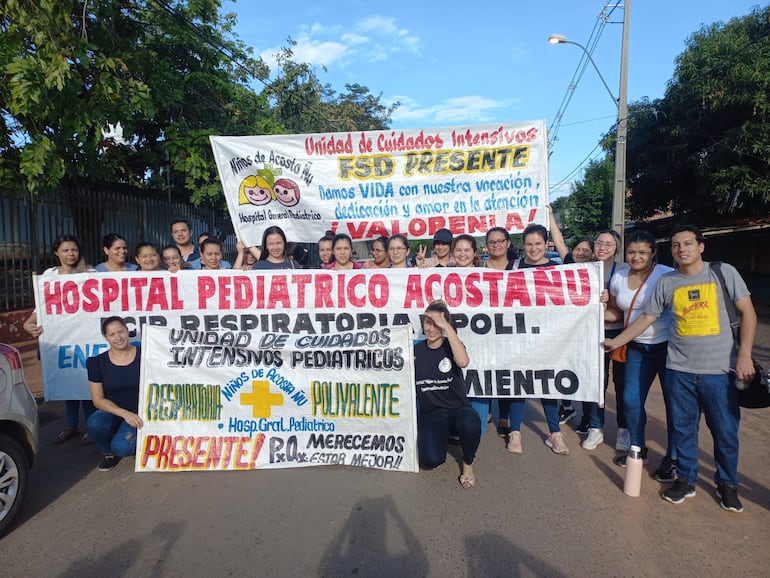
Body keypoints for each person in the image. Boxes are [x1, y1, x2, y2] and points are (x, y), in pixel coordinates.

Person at [604, 224, 757, 512]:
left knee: (724, 430)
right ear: (671, 251)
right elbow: (647, 318)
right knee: (684, 428)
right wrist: (616, 342)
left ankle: (728, 483)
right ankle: (686, 479)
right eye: (676, 245)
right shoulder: (668, 282)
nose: (682, 249)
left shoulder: (723, 273)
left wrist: (745, 355)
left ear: (701, 246)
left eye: (687, 243)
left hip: (719, 370)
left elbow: (747, 312)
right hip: (678, 369)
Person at [603, 232, 677, 467]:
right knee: (631, 401)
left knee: (673, 403)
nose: (636, 257)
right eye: (632, 252)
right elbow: (615, 312)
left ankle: (673, 457)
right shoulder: (619, 277)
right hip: (634, 347)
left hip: (666, 347)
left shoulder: (667, 275)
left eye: (643, 252)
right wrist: (586, 310)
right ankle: (637, 447)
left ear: (653, 253)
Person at [23, 235, 96, 445]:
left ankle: (92, 426)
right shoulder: (50, 275)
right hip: (61, 336)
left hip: (86, 335)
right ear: (57, 252)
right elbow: (44, 306)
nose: (70, 254)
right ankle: (71, 424)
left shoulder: (89, 273)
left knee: (87, 382)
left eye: (74, 250)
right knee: (68, 381)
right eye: (65, 250)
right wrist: (29, 322)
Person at [506, 224, 568, 455]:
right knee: (518, 382)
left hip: (547, 338)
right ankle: (515, 431)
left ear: (546, 244)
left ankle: (555, 433)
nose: (533, 249)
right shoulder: (513, 268)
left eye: (538, 244)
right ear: (523, 245)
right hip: (518, 336)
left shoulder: (558, 270)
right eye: (529, 244)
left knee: (547, 384)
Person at [414, 300, 481, 488]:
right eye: (428, 323)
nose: (431, 329)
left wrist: (446, 327)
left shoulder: (451, 346)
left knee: (470, 421)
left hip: (458, 409)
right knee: (430, 460)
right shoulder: (415, 351)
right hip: (432, 414)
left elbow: (463, 362)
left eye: (437, 324)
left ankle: (468, 463)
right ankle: (444, 436)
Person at [588, 230, 630, 450]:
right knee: (597, 382)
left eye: (609, 244)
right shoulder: (584, 268)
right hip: (593, 334)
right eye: (599, 243)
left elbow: (623, 312)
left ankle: (624, 429)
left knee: (622, 384)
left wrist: (606, 305)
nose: (603, 247)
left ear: (616, 249)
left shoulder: (624, 271)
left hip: (620, 335)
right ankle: (595, 428)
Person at [85, 316, 144, 472]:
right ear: (106, 337)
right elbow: (97, 400)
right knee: (94, 423)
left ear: (127, 331)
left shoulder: (145, 355)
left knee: (122, 448)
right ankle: (108, 453)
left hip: (139, 413)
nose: (118, 337)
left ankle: (131, 442)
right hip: (113, 411)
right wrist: (124, 414)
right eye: (112, 334)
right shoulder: (96, 362)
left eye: (121, 332)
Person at [482, 227, 517, 437]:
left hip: (510, 329)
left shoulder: (518, 268)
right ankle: (485, 410)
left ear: (508, 243)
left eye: (500, 241)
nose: (496, 245)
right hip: (483, 329)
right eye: (492, 242)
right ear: (487, 245)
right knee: (485, 371)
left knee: (505, 373)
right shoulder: (478, 268)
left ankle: (504, 417)